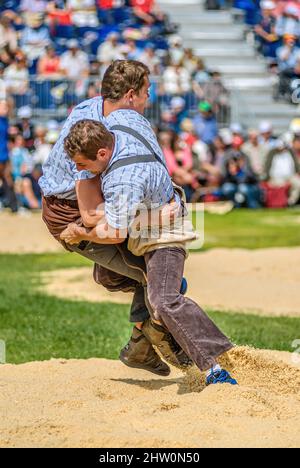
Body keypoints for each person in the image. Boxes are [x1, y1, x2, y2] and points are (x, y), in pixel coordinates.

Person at [39, 60, 191, 377]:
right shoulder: (92, 132)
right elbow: (93, 214)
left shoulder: (99, 112)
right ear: (132, 94)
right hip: (71, 211)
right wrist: (156, 215)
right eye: (147, 92)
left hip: (85, 207)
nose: (149, 100)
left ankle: (139, 343)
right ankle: (153, 345)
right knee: (160, 280)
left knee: (140, 273)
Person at [61, 115, 238, 386]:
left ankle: (216, 364)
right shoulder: (124, 124)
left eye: (83, 163)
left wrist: (81, 233)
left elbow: (114, 232)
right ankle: (149, 327)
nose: (79, 169)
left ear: (102, 152)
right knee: (107, 276)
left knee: (163, 300)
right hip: (149, 227)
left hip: (165, 236)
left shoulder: (123, 180)